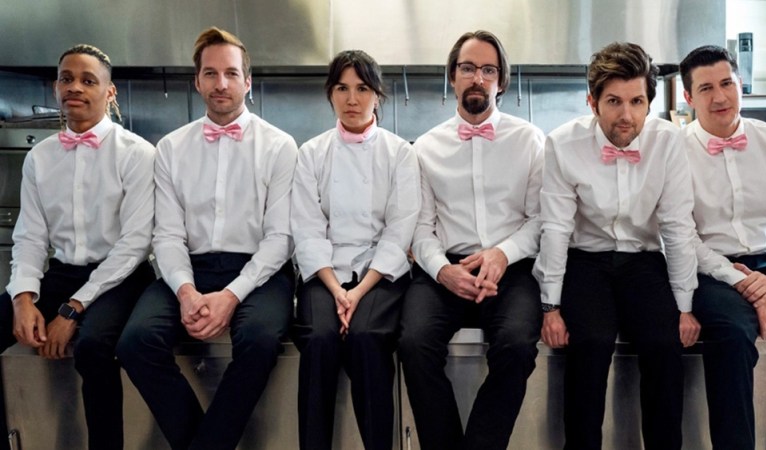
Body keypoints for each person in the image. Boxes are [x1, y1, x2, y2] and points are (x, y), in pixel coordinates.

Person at [116, 27, 297, 450]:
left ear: (247, 82)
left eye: (231, 74)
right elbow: (167, 235)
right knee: (135, 342)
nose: (221, 84)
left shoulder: (279, 146)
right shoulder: (171, 148)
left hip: (259, 271)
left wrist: (230, 296)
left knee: (259, 340)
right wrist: (186, 292)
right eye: (211, 74)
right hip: (189, 269)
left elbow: (280, 238)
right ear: (196, 80)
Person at [532, 42, 700, 450]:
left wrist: (684, 306)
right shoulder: (562, 144)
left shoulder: (668, 143)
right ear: (592, 102)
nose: (626, 115)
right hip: (585, 260)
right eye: (614, 101)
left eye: (637, 101)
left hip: (644, 261)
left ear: (649, 102)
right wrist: (550, 307)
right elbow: (555, 227)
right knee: (588, 346)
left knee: (664, 346)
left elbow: (677, 227)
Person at [0, 44, 155, 450]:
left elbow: (135, 245)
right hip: (63, 271)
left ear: (110, 92)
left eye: (88, 80)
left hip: (122, 276)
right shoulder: (39, 157)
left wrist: (72, 309)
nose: (75, 87)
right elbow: (31, 236)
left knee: (93, 347)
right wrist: (23, 297)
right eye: (67, 78)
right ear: (55, 87)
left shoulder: (138, 155)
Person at [397, 30, 545, 450]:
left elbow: (541, 219)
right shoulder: (425, 148)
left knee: (517, 346)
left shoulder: (530, 141)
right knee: (413, 343)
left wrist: (503, 252)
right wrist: (443, 271)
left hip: (511, 269)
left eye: (487, 70)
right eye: (467, 68)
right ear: (452, 77)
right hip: (446, 269)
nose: (477, 78)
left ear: (501, 81)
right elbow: (420, 228)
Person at [290, 49, 421, 450]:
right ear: (330, 94)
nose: (352, 99)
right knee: (319, 340)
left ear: (377, 95)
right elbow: (307, 231)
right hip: (324, 272)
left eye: (362, 89)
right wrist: (336, 291)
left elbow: (401, 230)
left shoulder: (400, 153)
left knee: (366, 338)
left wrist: (358, 292)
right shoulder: (311, 154)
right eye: (342, 89)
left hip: (380, 273)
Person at [679, 45, 766, 450]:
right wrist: (749, 286)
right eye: (706, 88)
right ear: (688, 97)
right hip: (709, 271)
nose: (720, 97)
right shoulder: (673, 153)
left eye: (727, 83)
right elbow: (680, 238)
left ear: (740, 84)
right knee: (731, 338)